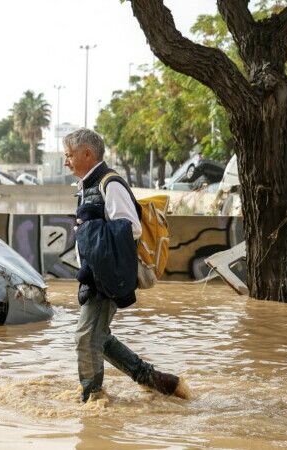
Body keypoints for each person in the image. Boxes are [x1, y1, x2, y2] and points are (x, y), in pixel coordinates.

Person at [63, 127, 189, 403]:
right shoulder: (89, 186)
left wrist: (87, 228)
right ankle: (158, 382)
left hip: (105, 276)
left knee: (86, 338)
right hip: (94, 274)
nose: (66, 161)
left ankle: (92, 399)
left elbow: (130, 228)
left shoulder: (111, 183)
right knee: (98, 337)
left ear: (87, 153)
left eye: (69, 155)